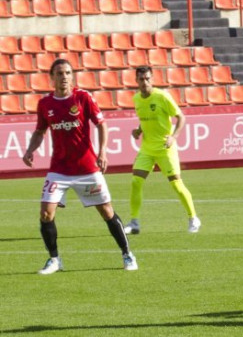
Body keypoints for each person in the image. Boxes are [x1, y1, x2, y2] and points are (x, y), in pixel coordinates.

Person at [22, 58, 138, 275]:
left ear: (72, 76)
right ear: (52, 77)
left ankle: (127, 253)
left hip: (86, 168)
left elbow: (102, 125)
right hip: (59, 169)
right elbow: (40, 131)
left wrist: (102, 152)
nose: (63, 77)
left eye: (67, 72)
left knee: (106, 211)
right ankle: (54, 260)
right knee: (46, 213)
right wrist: (31, 150)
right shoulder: (45, 104)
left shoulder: (83, 97)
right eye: (59, 73)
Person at [123, 66, 201, 235]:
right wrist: (138, 130)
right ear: (136, 81)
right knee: (136, 181)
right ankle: (134, 222)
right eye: (142, 79)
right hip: (147, 148)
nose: (145, 82)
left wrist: (173, 137)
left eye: (148, 79)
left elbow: (181, 117)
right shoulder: (136, 99)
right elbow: (146, 121)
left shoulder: (162, 96)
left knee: (177, 185)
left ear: (152, 79)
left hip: (165, 148)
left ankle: (193, 217)